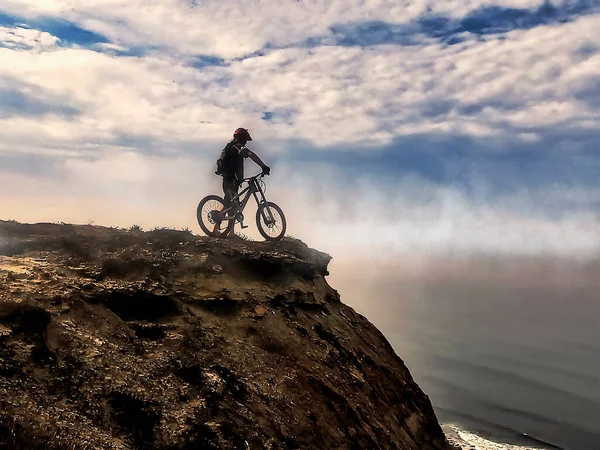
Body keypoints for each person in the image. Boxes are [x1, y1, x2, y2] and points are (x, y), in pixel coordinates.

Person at [215, 128, 270, 231]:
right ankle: (222, 231)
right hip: (230, 180)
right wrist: (263, 166)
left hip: (230, 180)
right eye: (244, 139)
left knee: (230, 204)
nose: (245, 142)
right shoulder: (237, 147)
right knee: (231, 205)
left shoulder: (230, 147)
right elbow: (251, 154)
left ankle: (223, 231)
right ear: (241, 138)